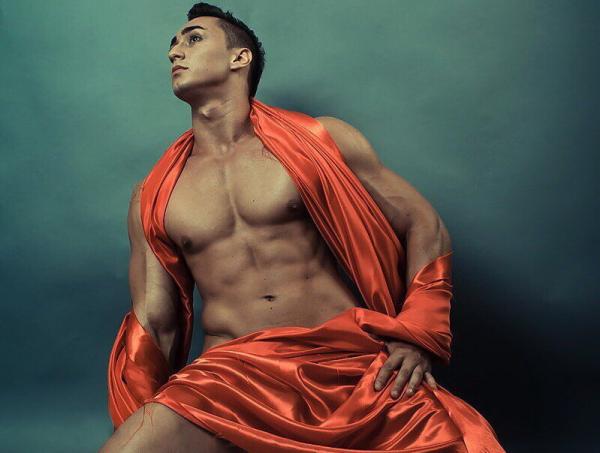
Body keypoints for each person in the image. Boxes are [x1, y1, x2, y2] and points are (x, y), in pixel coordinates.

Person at [100, 3, 504, 452]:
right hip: (228, 380)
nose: (175, 51)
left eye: (193, 38)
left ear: (239, 58)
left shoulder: (320, 139)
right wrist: (143, 419)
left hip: (345, 365)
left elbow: (424, 224)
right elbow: (155, 323)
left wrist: (417, 335)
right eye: (173, 44)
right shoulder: (154, 193)